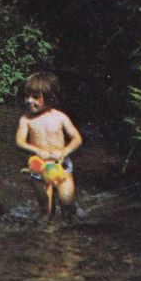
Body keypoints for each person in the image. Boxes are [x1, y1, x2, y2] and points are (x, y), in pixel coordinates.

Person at [15, 71, 83, 219]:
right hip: (39, 167)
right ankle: (47, 235)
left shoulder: (60, 117)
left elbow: (77, 138)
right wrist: (37, 150)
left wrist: (64, 151)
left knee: (66, 200)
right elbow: (19, 142)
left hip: (61, 165)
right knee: (45, 210)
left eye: (35, 97)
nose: (29, 101)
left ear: (50, 97)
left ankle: (68, 226)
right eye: (27, 96)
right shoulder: (26, 120)